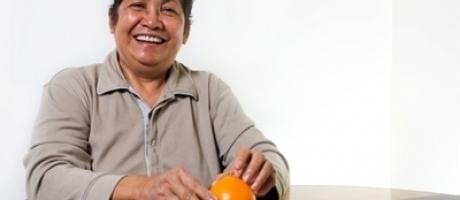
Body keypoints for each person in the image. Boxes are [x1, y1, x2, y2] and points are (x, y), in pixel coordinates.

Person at [23, 0, 289, 199]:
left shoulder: (209, 90)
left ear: (186, 31)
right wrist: (143, 188)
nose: (152, 21)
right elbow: (46, 179)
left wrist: (262, 172)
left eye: (168, 9)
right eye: (138, 5)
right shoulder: (74, 87)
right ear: (112, 20)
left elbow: (271, 159)